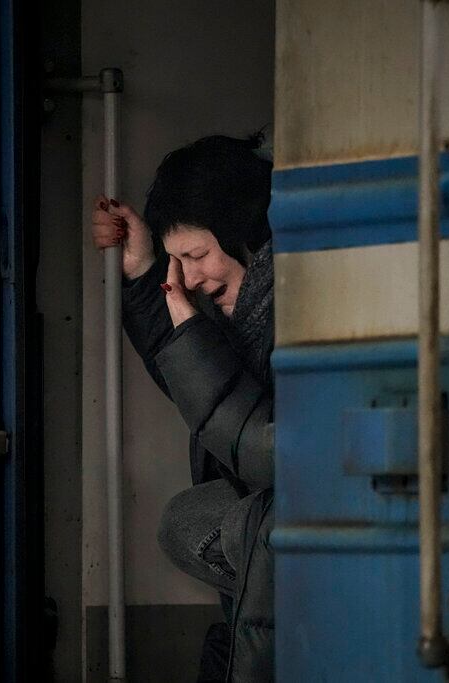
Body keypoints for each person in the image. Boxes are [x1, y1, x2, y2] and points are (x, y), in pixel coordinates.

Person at [91, 133, 275, 682]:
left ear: (243, 231)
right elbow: (200, 392)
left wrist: (187, 322)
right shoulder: (250, 304)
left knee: (189, 523)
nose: (189, 278)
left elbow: (250, 438)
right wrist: (148, 272)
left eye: (195, 255)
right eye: (180, 262)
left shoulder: (295, 303)